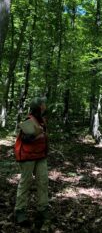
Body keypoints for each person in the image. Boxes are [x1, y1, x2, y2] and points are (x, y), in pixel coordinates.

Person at [14, 97, 49, 228]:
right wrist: (35, 135)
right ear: (39, 106)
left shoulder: (42, 120)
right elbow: (25, 138)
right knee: (25, 183)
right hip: (28, 157)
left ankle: (42, 209)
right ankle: (20, 211)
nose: (45, 105)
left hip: (40, 156)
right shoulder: (29, 120)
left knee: (43, 181)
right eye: (43, 104)